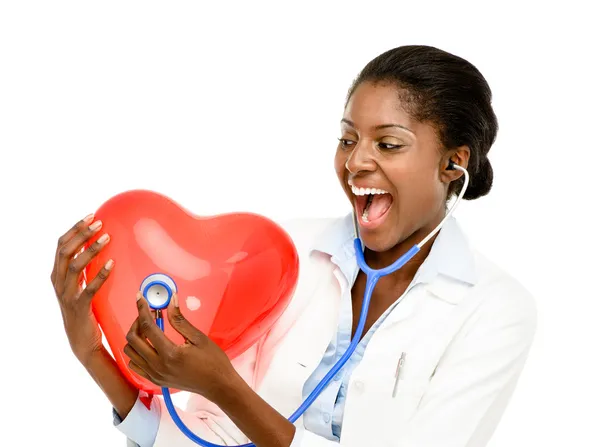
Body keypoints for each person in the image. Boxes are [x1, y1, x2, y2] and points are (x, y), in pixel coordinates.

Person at [51, 45, 537, 447]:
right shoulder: (283, 254)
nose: (356, 163)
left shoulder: (496, 310)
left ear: (454, 163)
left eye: (388, 144)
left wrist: (226, 387)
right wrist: (92, 352)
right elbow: (200, 434)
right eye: (348, 140)